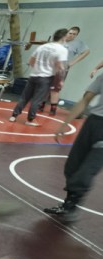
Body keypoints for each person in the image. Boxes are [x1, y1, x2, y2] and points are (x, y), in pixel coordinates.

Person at [43, 72, 103, 224]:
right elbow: (85, 100)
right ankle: (67, 204)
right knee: (72, 166)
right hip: (93, 123)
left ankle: (72, 206)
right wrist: (64, 124)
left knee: (86, 171)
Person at [9, 28, 68, 126]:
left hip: (33, 75)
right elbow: (60, 66)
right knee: (37, 99)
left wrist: (38, 69)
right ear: (63, 37)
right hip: (46, 77)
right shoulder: (62, 49)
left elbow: (31, 61)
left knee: (24, 97)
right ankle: (30, 120)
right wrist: (60, 80)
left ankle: (13, 116)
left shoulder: (43, 46)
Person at [42, 26, 90, 115]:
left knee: (55, 89)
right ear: (67, 32)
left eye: (74, 34)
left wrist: (72, 62)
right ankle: (41, 104)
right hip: (51, 67)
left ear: (76, 35)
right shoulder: (60, 40)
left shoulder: (78, 43)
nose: (71, 35)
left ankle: (53, 109)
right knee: (45, 85)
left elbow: (87, 52)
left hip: (62, 68)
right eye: (70, 33)